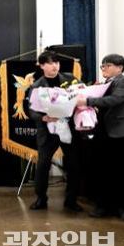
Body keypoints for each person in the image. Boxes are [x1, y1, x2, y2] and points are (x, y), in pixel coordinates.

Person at [76, 54, 124, 221]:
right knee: (102, 170)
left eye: (108, 65)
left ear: (120, 67)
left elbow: (114, 100)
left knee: (123, 172)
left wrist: (88, 101)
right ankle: (103, 206)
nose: (104, 69)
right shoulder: (102, 84)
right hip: (102, 132)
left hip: (121, 133)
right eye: (102, 66)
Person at [26, 50, 83, 212]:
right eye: (50, 63)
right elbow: (31, 110)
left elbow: (82, 93)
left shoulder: (70, 79)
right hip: (48, 130)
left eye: (56, 62)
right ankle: (41, 198)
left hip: (69, 128)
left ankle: (71, 200)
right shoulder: (37, 85)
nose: (54, 66)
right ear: (42, 66)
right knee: (43, 164)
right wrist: (43, 118)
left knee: (73, 163)